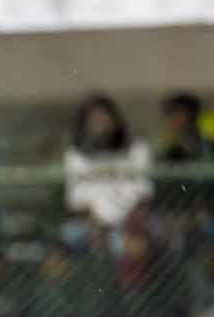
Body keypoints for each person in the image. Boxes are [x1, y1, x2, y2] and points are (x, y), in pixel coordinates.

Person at [64, 93, 152, 228]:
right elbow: (76, 199)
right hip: (91, 224)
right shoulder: (76, 155)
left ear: (114, 119)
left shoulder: (137, 149)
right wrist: (95, 225)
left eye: (103, 118)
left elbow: (144, 191)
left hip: (133, 221)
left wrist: (130, 221)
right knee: (71, 232)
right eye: (93, 120)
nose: (99, 124)